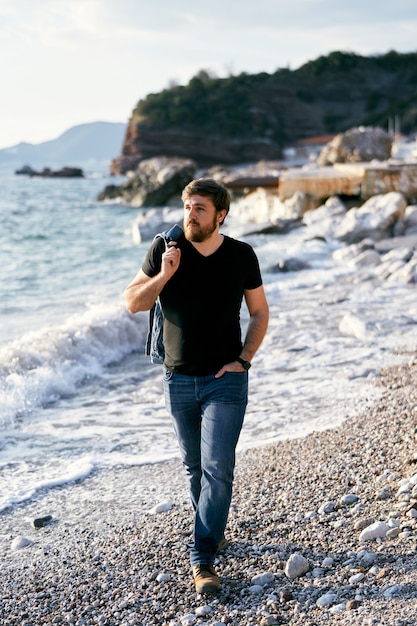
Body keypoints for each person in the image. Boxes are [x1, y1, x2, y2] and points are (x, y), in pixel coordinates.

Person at [125, 178, 269, 594]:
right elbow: (133, 302)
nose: (190, 214)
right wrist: (164, 276)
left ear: (220, 215)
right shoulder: (165, 250)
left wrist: (244, 360)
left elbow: (259, 313)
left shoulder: (241, 255)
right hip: (178, 379)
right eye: (187, 206)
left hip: (226, 380)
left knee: (217, 466)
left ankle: (202, 557)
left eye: (199, 208)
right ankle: (214, 530)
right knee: (194, 467)